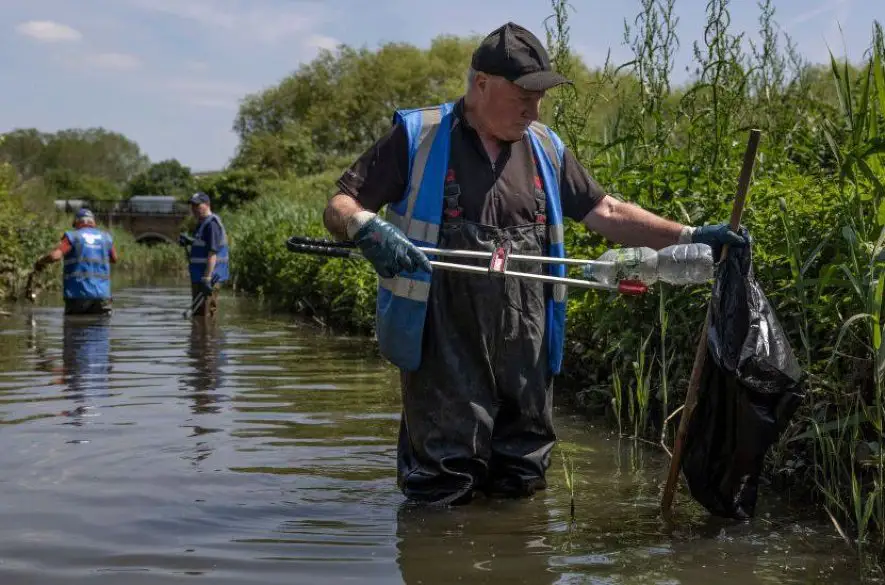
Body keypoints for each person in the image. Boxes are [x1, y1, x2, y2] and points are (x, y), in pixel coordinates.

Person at [322, 21, 749, 506]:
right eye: (523, 93)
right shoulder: (419, 135)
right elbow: (340, 204)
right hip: (442, 343)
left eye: (540, 95)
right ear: (481, 84)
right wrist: (365, 227)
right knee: (443, 486)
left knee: (522, 478)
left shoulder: (546, 146)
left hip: (527, 343)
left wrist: (689, 236)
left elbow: (606, 212)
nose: (533, 107)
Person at [32, 208, 118, 315]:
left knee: (74, 327)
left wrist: (40, 262)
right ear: (93, 222)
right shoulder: (106, 238)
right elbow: (114, 259)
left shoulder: (72, 236)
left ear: (76, 222)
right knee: (101, 327)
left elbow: (55, 256)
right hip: (102, 296)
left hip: (77, 296)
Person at [179, 192, 229, 318]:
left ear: (207, 205)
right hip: (201, 277)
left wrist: (207, 279)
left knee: (206, 316)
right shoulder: (203, 223)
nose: (194, 209)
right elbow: (204, 245)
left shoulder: (211, 224)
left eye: (197, 205)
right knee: (199, 315)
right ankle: (201, 338)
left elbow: (212, 253)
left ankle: (208, 338)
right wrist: (190, 241)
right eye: (192, 206)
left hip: (209, 278)